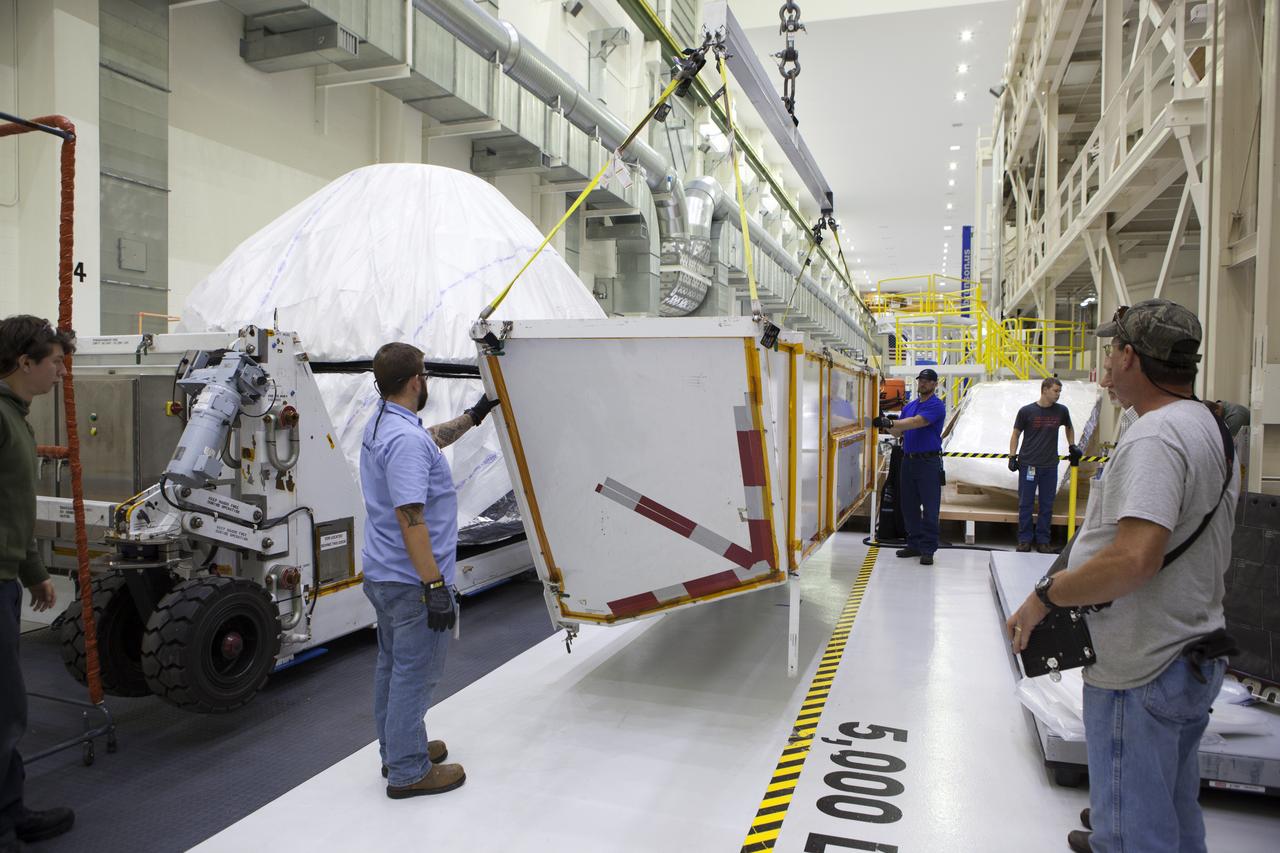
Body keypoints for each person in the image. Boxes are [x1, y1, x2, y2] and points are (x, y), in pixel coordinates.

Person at [1006, 299, 1238, 853]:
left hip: (1144, 666)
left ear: (1131, 357)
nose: (1107, 361)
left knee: (1133, 835)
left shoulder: (1157, 438)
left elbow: (1135, 558)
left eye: (1113, 348)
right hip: (1188, 652)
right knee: (1176, 818)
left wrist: (1046, 597)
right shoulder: (1207, 423)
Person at [359, 341, 498, 800]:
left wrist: (475, 415)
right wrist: (434, 585)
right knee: (414, 675)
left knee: (393, 666)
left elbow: (428, 440)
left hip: (383, 575)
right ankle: (408, 771)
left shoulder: (384, 423)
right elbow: (410, 518)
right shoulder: (402, 441)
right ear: (417, 380)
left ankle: (397, 747)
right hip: (411, 581)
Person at [1, 316, 76, 853]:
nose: (60, 371)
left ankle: (11, 811)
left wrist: (32, 571)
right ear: (24, 363)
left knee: (7, 704)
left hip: (7, 577)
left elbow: (13, 507)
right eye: (53, 361)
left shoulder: (15, 417)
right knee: (4, 707)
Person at [1007, 377, 1079, 554]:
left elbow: (1069, 427)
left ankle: (1043, 541)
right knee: (1026, 503)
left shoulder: (1061, 411)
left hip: (1049, 466)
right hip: (1029, 464)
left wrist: (1072, 445)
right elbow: (1016, 434)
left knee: (1047, 505)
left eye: (1059, 392)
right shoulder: (1026, 411)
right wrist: (1012, 456)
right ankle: (1024, 540)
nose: (1058, 395)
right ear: (1045, 389)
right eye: (1055, 391)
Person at [887, 368, 946, 565]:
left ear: (935, 384)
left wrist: (892, 421)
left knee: (930, 508)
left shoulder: (936, 406)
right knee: (909, 506)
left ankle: (928, 548)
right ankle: (913, 544)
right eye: (921, 380)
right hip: (908, 460)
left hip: (928, 463)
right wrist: (884, 424)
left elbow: (915, 423)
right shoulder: (910, 406)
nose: (923, 383)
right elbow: (898, 434)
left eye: (928, 381)